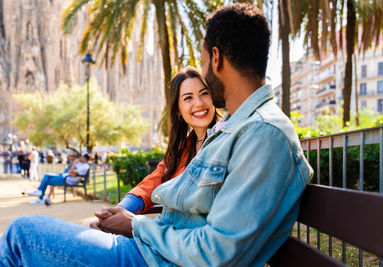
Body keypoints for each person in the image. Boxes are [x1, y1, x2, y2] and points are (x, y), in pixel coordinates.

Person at [0, 4, 313, 266]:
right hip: (155, 251)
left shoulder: (263, 134)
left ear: (216, 59)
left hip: (154, 259)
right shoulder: (237, 128)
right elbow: (167, 185)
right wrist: (125, 214)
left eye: (203, 62)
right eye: (187, 98)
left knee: (21, 235)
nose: (204, 73)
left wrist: (135, 227)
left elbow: (218, 253)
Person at [90, 66, 219, 228]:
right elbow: (152, 183)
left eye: (204, 93)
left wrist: (133, 225)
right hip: (164, 239)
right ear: (178, 111)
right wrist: (118, 211)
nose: (199, 103)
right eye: (188, 98)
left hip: (183, 243)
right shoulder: (182, 150)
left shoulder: (225, 140)